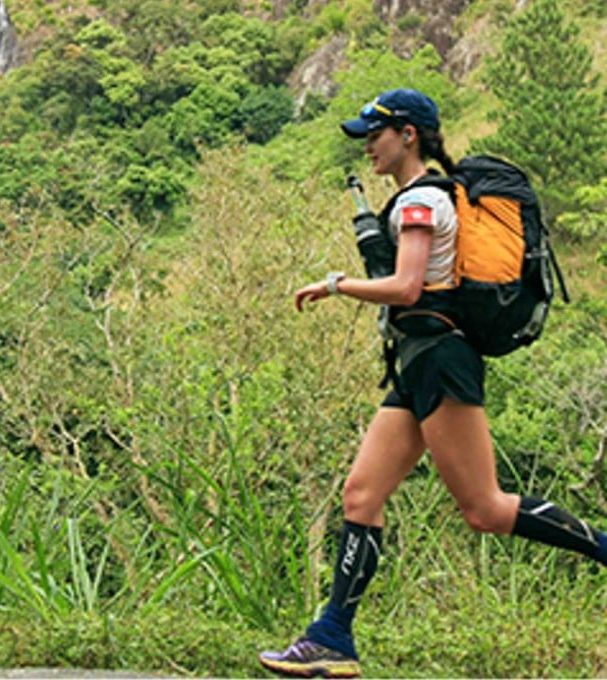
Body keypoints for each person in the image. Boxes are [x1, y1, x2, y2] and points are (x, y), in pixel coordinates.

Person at [257, 88, 607, 679]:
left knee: (485, 509)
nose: (368, 145)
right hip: (417, 363)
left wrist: (336, 284)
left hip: (443, 359)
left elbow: (408, 288)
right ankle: (331, 638)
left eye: (376, 133)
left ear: (409, 136)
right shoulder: (412, 200)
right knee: (361, 497)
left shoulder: (421, 200)